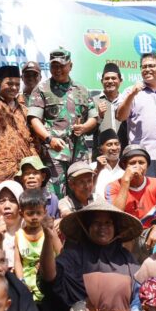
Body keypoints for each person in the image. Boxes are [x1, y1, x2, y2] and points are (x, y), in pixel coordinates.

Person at [38, 201, 145, 311]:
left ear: (115, 228)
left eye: (108, 223)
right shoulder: (74, 255)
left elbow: (138, 297)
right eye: (96, 223)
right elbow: (50, 276)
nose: (103, 227)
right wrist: (47, 237)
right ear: (87, 227)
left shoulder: (126, 259)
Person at [27, 48, 98, 198]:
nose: (58, 70)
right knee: (56, 193)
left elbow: (94, 117)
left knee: (82, 192)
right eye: (54, 66)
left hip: (79, 152)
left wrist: (85, 127)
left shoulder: (82, 89)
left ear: (70, 66)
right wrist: (49, 139)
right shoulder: (42, 89)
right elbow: (34, 119)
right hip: (55, 153)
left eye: (61, 66)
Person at [115, 53, 156, 186]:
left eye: (151, 66)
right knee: (143, 198)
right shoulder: (131, 91)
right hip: (142, 156)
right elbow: (120, 116)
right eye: (143, 67)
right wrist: (132, 95)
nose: (147, 69)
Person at [105, 144, 156, 257]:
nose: (137, 167)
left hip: (149, 231)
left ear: (147, 165)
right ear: (124, 165)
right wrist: (126, 182)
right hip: (124, 232)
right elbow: (115, 214)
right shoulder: (112, 186)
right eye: (132, 163)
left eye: (141, 163)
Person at [0, 65, 39, 184]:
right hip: (0, 173)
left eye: (17, 84)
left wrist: (35, 164)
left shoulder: (24, 110)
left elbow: (31, 140)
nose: (14, 88)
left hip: (24, 174)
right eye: (9, 84)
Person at [15, 189, 62, 302]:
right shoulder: (19, 235)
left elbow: (61, 253)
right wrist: (21, 282)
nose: (34, 217)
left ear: (45, 212)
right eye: (30, 213)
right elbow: (18, 262)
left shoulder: (51, 233)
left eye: (38, 213)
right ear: (22, 214)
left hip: (49, 285)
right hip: (28, 289)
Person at [92, 63, 124, 159]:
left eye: (113, 78)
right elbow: (88, 131)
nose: (110, 81)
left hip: (123, 156)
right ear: (102, 81)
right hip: (101, 156)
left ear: (120, 81)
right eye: (107, 78)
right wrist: (99, 116)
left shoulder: (126, 101)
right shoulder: (93, 101)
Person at [91, 128, 124, 198]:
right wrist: (98, 169)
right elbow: (86, 191)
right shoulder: (92, 167)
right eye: (109, 145)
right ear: (100, 150)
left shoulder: (125, 167)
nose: (114, 148)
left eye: (117, 144)